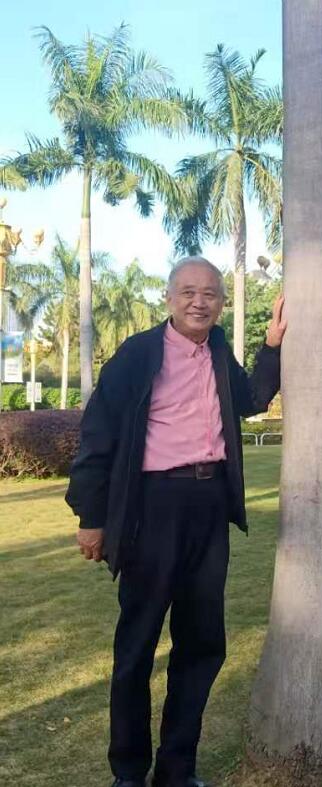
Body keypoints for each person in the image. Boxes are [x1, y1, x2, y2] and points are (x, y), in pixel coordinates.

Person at [66, 256, 286, 787]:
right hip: (152, 508)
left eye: (209, 294)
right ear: (169, 298)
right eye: (188, 292)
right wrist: (92, 518)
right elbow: (97, 436)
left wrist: (273, 346)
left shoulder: (218, 351)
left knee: (202, 643)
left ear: (221, 303)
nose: (198, 302)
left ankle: (177, 770)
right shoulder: (138, 354)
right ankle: (127, 772)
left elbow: (252, 400)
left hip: (208, 508)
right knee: (137, 644)